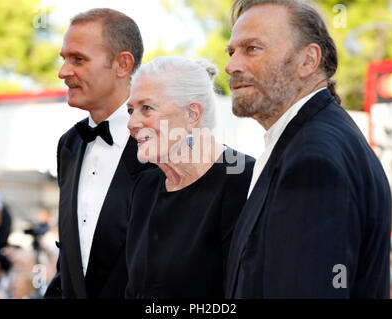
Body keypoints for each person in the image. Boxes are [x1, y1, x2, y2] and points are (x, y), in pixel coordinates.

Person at [224, 0, 391, 298]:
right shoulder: (316, 139)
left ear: (308, 61)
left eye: (252, 48)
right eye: (232, 51)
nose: (231, 65)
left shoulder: (312, 157)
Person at [125, 56, 255, 298]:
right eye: (131, 110)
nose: (132, 123)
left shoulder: (243, 180)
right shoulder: (145, 186)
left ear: (192, 114)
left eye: (147, 108)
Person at [44, 8, 148, 299]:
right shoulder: (69, 145)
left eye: (78, 59)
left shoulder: (163, 141)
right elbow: (72, 259)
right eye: (63, 59)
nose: (63, 72)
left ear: (122, 64)